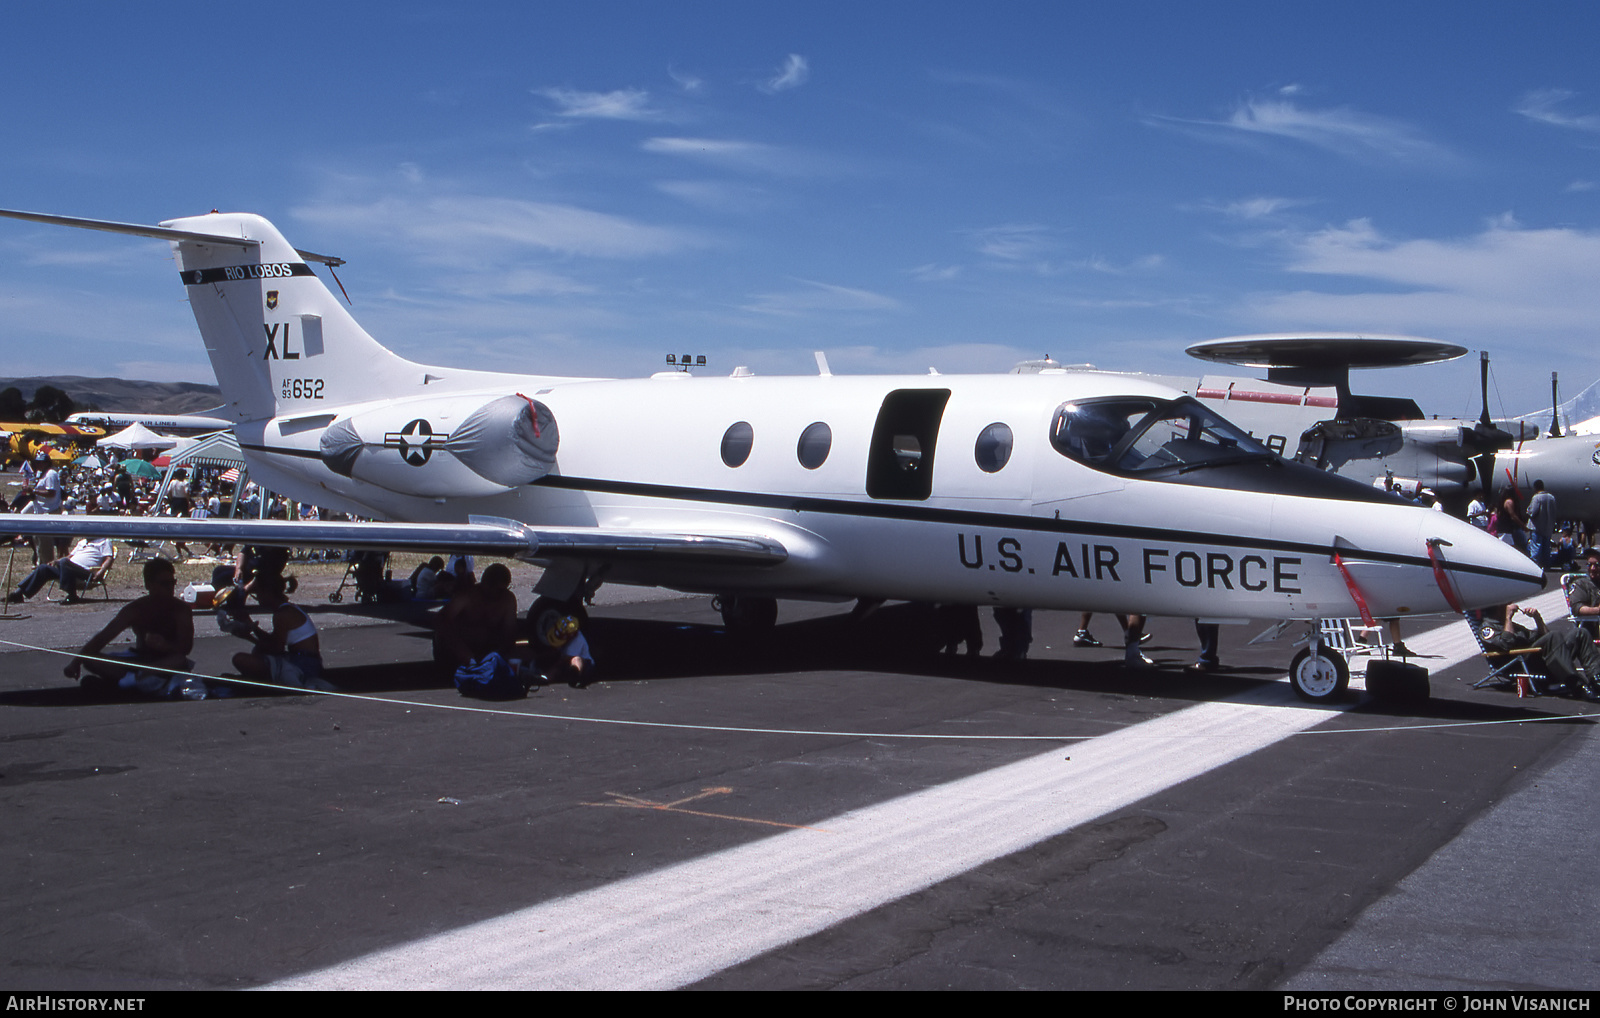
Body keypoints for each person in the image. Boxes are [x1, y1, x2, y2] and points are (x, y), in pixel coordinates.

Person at [63, 557, 197, 696]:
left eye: (172, 583)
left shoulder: (180, 610)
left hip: (165, 663)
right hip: (139, 661)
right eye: (164, 584)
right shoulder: (136, 609)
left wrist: (165, 646)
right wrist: (76, 662)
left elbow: (185, 649)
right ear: (149, 585)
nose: (170, 588)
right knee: (91, 659)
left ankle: (132, 682)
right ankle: (140, 681)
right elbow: (103, 637)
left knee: (179, 661)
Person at [227, 572, 333, 691]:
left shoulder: (282, 614)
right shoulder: (288, 609)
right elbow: (274, 641)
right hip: (304, 660)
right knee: (258, 652)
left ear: (267, 593)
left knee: (240, 659)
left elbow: (276, 648)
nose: (258, 599)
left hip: (304, 665)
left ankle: (268, 681)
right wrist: (253, 628)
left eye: (258, 594)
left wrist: (249, 637)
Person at [436, 563, 522, 698]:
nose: (496, 594)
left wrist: (499, 656)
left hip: (486, 649)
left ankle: (487, 666)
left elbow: (509, 632)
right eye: (494, 589)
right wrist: (464, 654)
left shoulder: (507, 599)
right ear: (485, 584)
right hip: (458, 650)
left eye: (501, 590)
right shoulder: (468, 596)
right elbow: (442, 622)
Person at [5, 531, 113, 604]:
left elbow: (109, 558)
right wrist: (55, 561)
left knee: (64, 562)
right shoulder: (82, 542)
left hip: (87, 572)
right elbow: (70, 556)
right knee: (43, 568)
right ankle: (18, 594)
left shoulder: (104, 541)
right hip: (68, 569)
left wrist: (101, 571)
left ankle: (72, 595)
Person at [1526, 480, 1557, 568]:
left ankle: (1535, 565)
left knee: (1536, 546)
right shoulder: (1551, 497)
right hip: (1548, 525)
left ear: (1535, 487)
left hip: (1537, 526)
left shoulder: (1537, 497)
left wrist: (1528, 510)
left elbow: (1533, 511)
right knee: (1546, 547)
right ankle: (1546, 565)